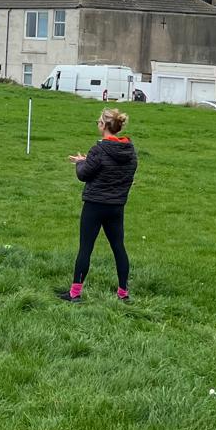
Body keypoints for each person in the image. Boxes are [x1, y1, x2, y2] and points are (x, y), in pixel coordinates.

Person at [59, 107, 138, 302]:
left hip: (95, 205)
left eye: (98, 122)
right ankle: (123, 293)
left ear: (103, 125)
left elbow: (84, 174)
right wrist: (90, 161)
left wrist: (80, 162)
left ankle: (75, 293)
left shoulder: (99, 149)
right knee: (119, 247)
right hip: (116, 207)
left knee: (86, 248)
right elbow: (119, 171)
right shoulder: (129, 151)